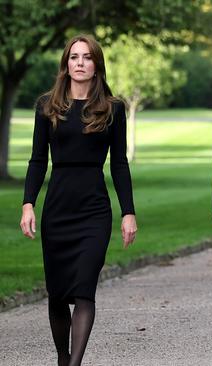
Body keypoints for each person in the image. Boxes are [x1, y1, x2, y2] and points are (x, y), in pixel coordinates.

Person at [19, 35, 136, 366]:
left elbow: (119, 164)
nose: (80, 63)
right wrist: (28, 203)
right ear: (66, 64)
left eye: (86, 57)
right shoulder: (47, 106)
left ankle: (74, 364)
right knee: (57, 295)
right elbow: (37, 160)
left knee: (84, 289)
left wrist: (128, 212)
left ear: (96, 64)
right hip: (58, 208)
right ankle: (62, 357)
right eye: (74, 57)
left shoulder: (112, 108)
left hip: (94, 210)